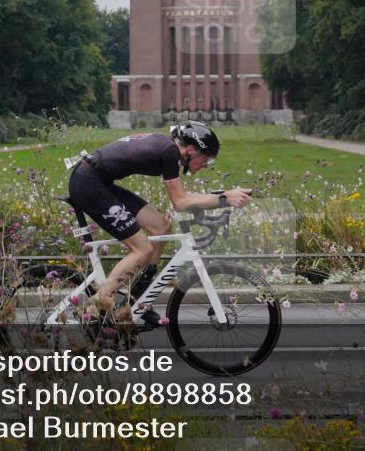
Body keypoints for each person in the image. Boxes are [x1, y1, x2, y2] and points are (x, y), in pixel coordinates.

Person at [67, 121, 251, 325]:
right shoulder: (169, 153)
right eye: (205, 158)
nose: (206, 164)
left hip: (96, 180)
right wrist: (224, 198)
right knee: (142, 250)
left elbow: (182, 197)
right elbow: (180, 203)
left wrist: (222, 196)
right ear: (191, 150)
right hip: (89, 184)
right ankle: (93, 307)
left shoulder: (167, 147)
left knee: (162, 226)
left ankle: (139, 295)